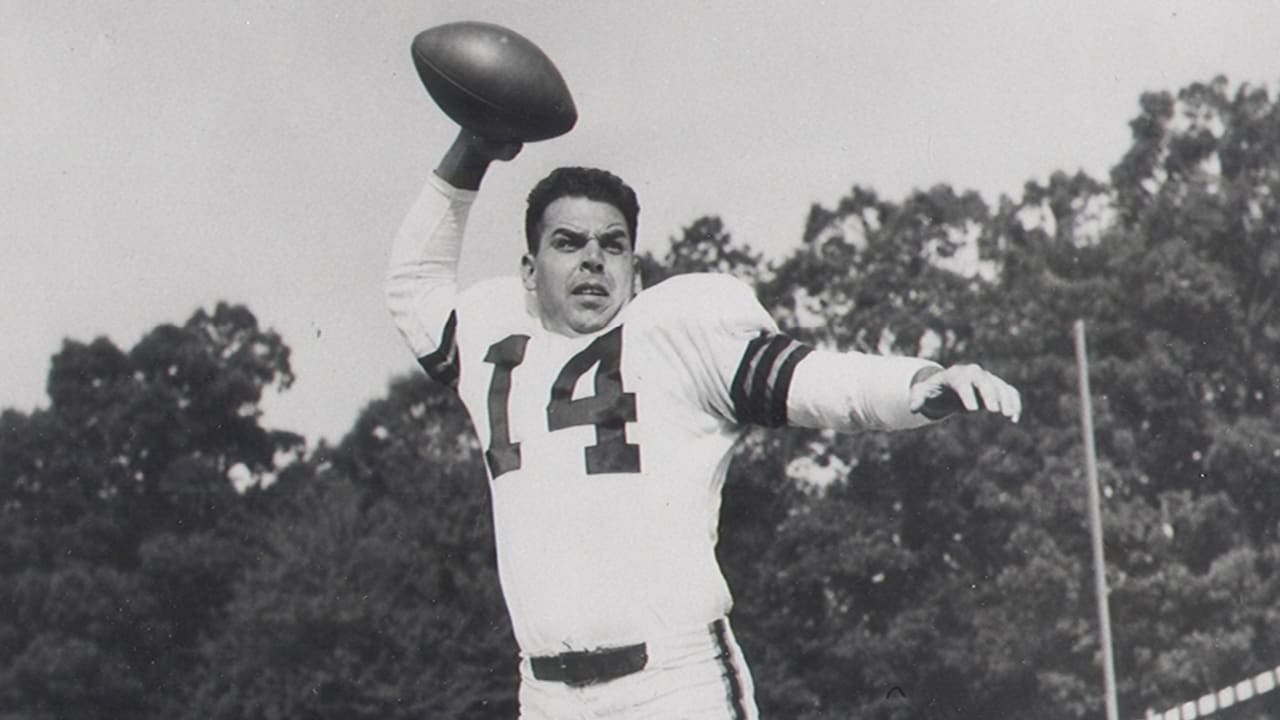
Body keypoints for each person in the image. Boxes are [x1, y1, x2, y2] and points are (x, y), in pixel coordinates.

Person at [385, 130, 1022, 719]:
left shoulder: (675, 336)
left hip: (672, 684)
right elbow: (413, 285)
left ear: (635, 273)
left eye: (613, 245)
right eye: (568, 243)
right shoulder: (496, 343)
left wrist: (919, 387)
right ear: (529, 270)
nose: (592, 262)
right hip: (546, 695)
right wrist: (474, 146)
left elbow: (815, 381)